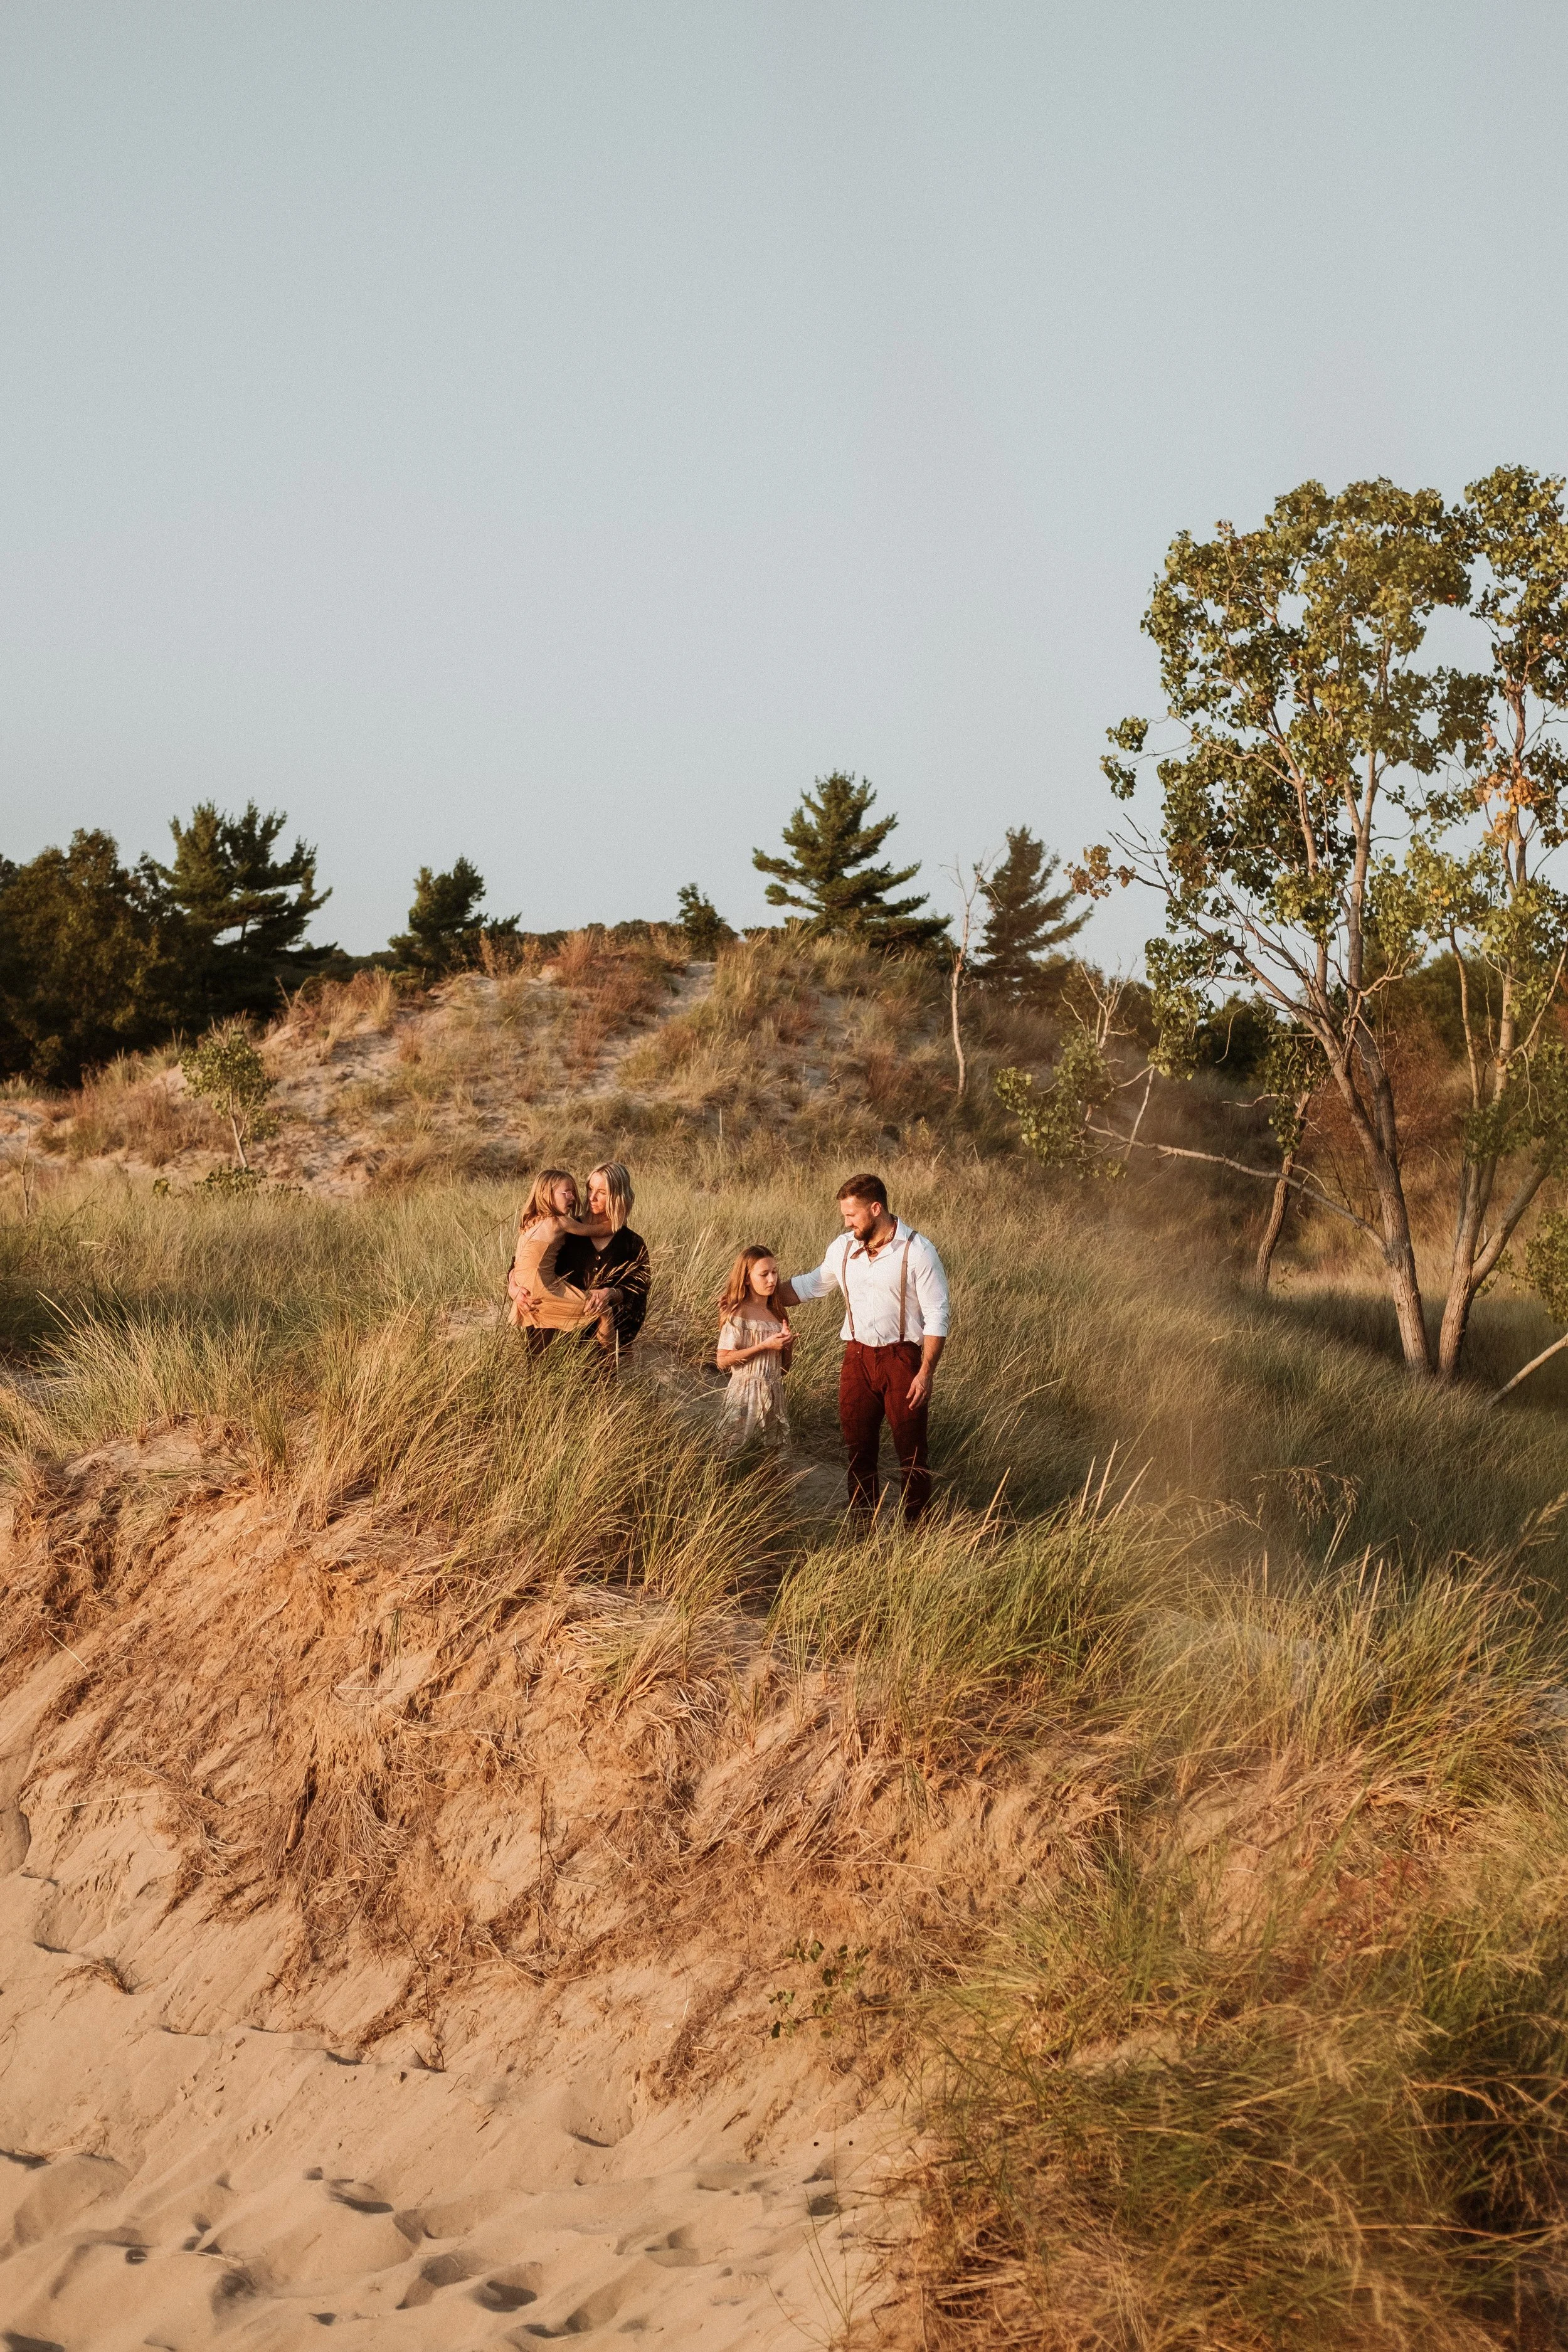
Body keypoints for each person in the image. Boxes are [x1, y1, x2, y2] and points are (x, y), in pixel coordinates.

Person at [776, 1172, 949, 1520]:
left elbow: (937, 1315)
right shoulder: (843, 1248)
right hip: (856, 1357)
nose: (846, 1222)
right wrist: (751, 1295)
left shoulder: (918, 1251)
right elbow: (809, 1286)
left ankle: (918, 1531)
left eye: (851, 1215)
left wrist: (925, 1372)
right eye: (844, 1216)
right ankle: (861, 1524)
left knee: (911, 1452)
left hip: (902, 1359)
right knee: (858, 1449)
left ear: (875, 1208)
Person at [541, 1161, 652, 1366]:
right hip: (557, 1335)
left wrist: (611, 1293)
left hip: (601, 1343)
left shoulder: (633, 1243)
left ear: (618, 1197)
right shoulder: (566, 1230)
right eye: (590, 1189)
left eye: (601, 1192)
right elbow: (525, 1263)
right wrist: (514, 1285)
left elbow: (639, 1291)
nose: (591, 1197)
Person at [506, 1168, 610, 1337]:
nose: (573, 1197)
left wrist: (513, 1283)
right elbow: (597, 1231)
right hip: (542, 1287)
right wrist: (617, 1222)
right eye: (567, 1193)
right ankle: (612, 1360)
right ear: (547, 1194)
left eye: (574, 1193)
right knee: (600, 1310)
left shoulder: (531, 1221)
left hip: (524, 1287)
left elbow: (518, 1261)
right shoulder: (559, 1222)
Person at [715, 1245, 793, 1450]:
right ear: (748, 1278)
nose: (772, 1280)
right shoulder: (738, 1312)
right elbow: (722, 1360)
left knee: (771, 1462)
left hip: (774, 1394)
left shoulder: (777, 1314)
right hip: (744, 1397)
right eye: (764, 1274)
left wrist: (787, 1346)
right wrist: (764, 1346)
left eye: (775, 1272)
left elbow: (783, 1370)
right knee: (735, 1456)